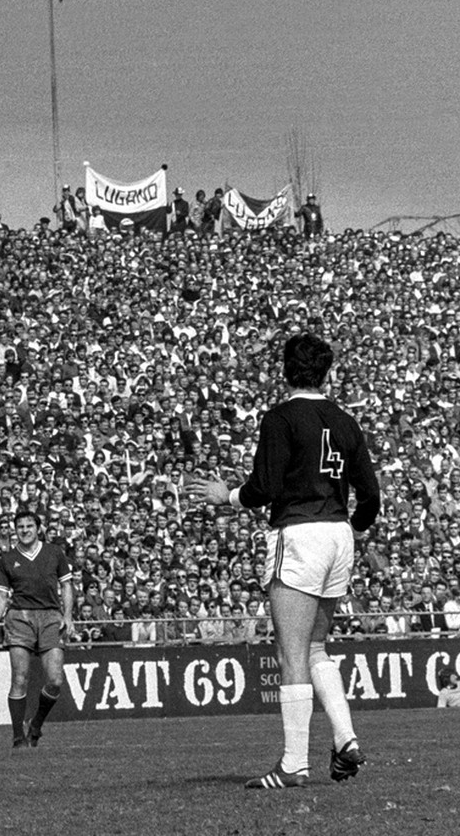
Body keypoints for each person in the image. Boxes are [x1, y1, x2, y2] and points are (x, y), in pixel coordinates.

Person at [190, 333, 381, 789]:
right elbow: (370, 495)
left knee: (291, 653)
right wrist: (352, 528)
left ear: (285, 370)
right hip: (338, 534)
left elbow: (266, 486)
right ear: (326, 371)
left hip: (300, 531)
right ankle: (346, 738)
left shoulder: (279, 418)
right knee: (316, 649)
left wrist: (227, 496)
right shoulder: (346, 420)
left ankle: (294, 762)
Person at [0, 510, 75, 748]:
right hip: (19, 617)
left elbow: (67, 586)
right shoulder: (8, 558)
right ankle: (17, 737)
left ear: (38, 528)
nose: (24, 530)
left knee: (54, 680)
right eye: (20, 526)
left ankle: (35, 725)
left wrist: (68, 616)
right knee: (19, 679)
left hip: (51, 617)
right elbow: (1, 596)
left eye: (29, 526)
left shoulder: (54, 552)